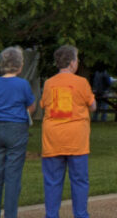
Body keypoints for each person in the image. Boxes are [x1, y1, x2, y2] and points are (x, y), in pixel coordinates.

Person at [40, 45, 96, 218]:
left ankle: (51, 215)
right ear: (72, 63)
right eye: (77, 59)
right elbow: (92, 106)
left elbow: (44, 105)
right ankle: (80, 215)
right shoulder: (81, 82)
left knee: (52, 182)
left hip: (52, 138)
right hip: (76, 139)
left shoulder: (49, 83)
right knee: (79, 181)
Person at [0, 46, 36, 218]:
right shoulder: (23, 84)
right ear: (20, 65)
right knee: (13, 176)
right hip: (16, 128)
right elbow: (31, 106)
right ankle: (10, 214)